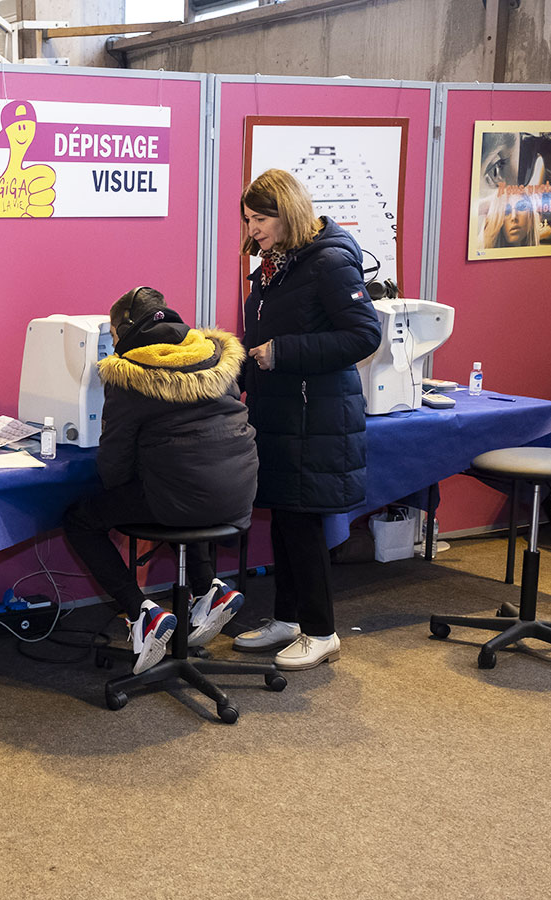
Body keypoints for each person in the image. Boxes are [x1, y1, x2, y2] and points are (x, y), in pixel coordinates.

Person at [62, 287, 259, 676]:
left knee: (80, 519)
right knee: (174, 487)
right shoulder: (212, 354)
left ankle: (141, 613)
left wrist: (120, 480)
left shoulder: (130, 373)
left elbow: (115, 461)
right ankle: (209, 589)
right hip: (240, 489)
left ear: (125, 332)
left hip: (182, 496)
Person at [233, 168, 380, 671]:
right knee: (284, 518)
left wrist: (285, 352)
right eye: (248, 219)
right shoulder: (277, 265)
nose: (251, 229)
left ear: (287, 212)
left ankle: (322, 631)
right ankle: (287, 619)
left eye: (259, 218)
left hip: (314, 414)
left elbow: (364, 336)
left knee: (303, 524)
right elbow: (261, 334)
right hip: (280, 412)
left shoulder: (330, 262)